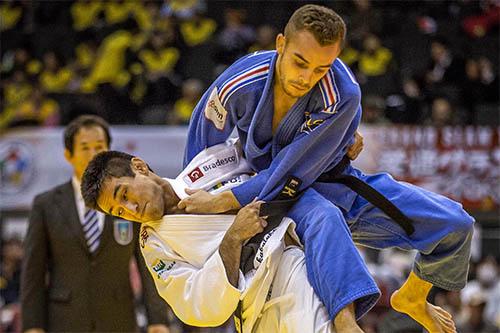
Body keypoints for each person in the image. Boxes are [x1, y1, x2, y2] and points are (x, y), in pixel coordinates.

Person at [180, 4, 474, 333]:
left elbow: (292, 171)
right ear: (280, 44)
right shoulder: (241, 81)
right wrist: (200, 199)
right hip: (268, 199)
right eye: (299, 62)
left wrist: (224, 200)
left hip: (329, 182)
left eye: (321, 68)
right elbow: (202, 143)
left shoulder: (342, 93)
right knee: (323, 217)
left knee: (455, 225)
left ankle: (413, 298)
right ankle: (346, 322)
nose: (306, 77)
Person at [80, 144, 337, 332]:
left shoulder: (207, 164)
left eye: (124, 195)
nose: (131, 211)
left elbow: (272, 151)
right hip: (252, 315)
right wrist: (232, 238)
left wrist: (338, 144)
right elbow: (197, 308)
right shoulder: (153, 245)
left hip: (288, 266)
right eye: (119, 212)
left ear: (139, 167)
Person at [21, 115, 170, 333]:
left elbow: (148, 263)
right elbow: (33, 271)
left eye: (99, 146)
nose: (92, 154)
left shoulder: (129, 201)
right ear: (68, 155)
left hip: (119, 318)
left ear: (108, 150)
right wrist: (32, 325)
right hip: (64, 320)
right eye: (84, 147)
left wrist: (158, 319)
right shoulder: (46, 204)